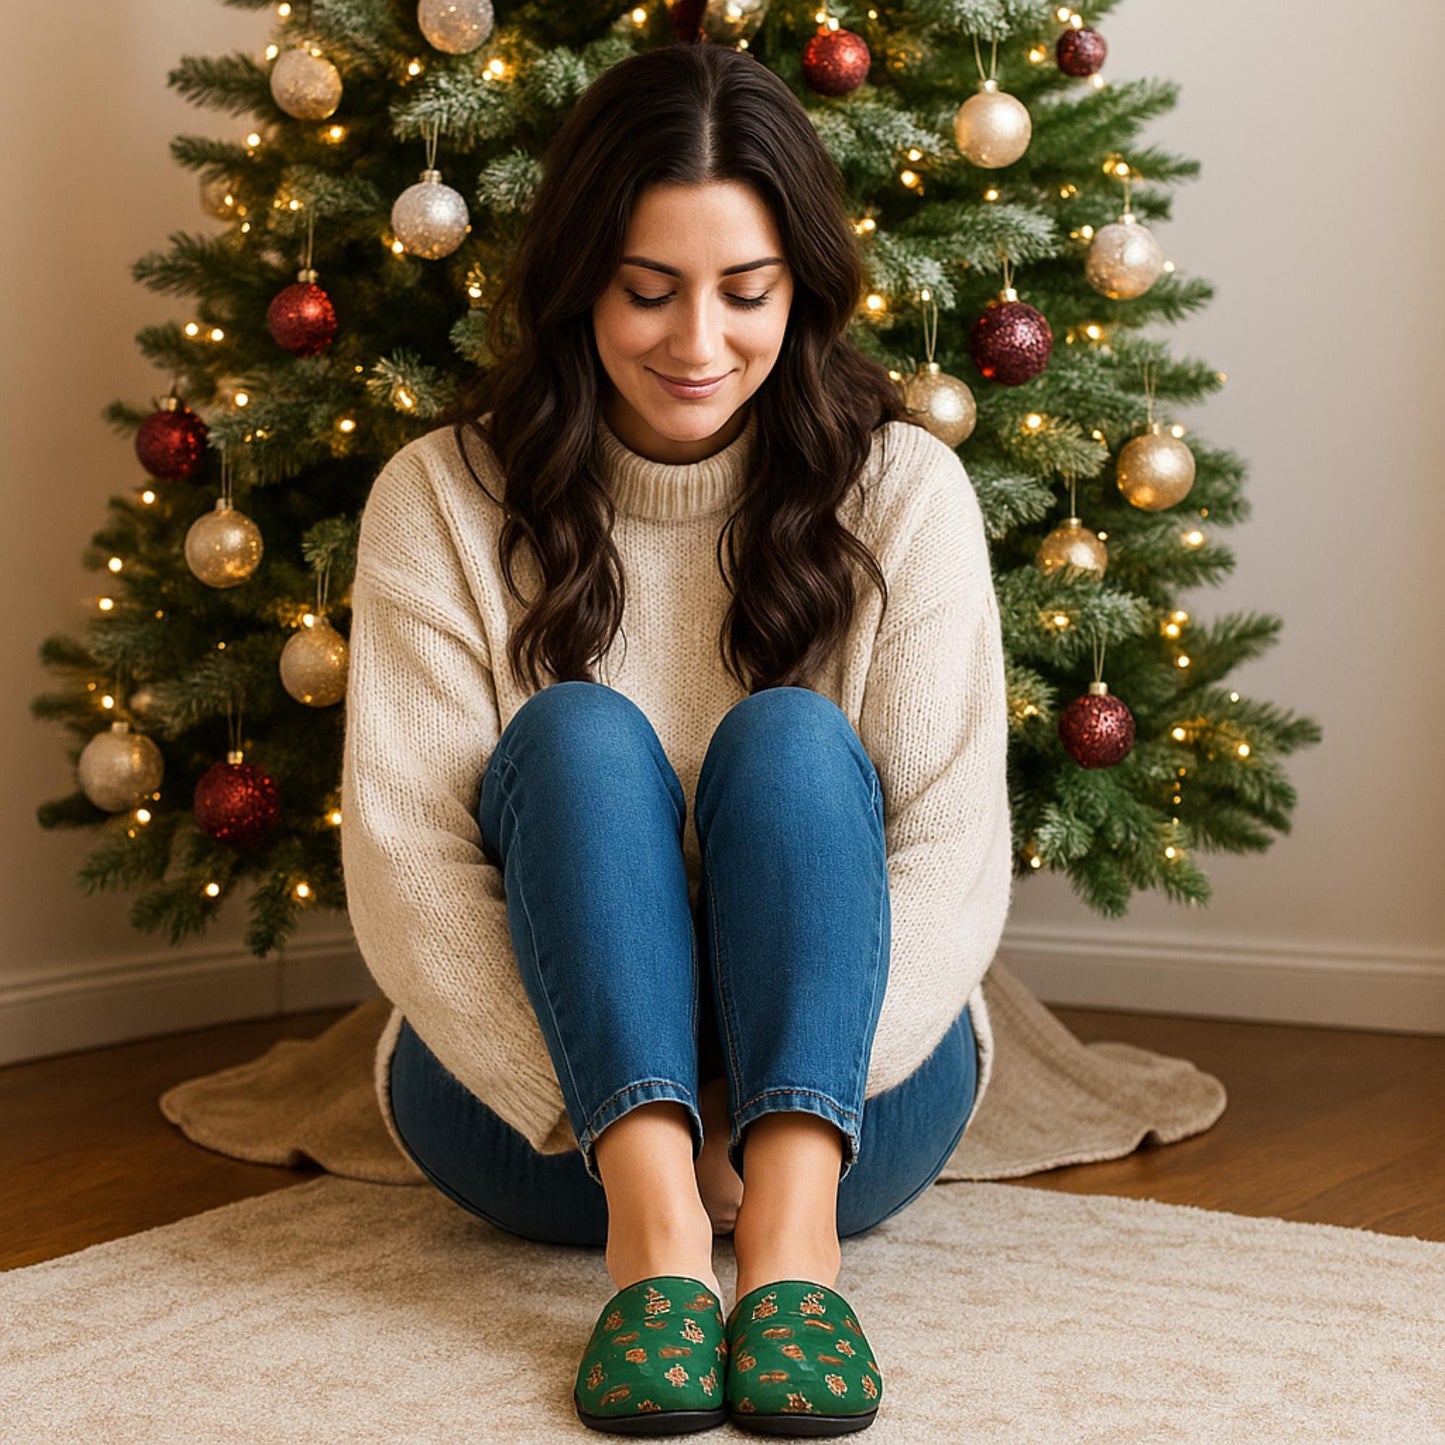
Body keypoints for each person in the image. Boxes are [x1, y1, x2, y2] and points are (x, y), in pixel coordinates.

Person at [339, 39, 1012, 1438]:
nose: (696, 345)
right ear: (578, 277)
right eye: (647, 292)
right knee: (581, 736)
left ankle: (787, 1268)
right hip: (536, 1126)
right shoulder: (439, 498)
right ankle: (653, 1259)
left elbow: (948, 860)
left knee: (786, 739)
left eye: (744, 293)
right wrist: (638, 1134)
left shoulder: (905, 490)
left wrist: (775, 1141)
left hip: (845, 1120)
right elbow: (407, 870)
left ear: (802, 292)